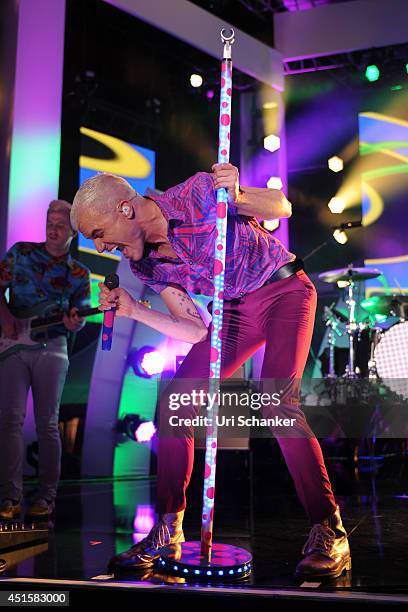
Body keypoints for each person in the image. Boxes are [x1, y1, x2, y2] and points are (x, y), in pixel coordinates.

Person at [71, 164, 351, 578]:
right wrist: (134, 310)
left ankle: (330, 528)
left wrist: (234, 195)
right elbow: (195, 329)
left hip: (284, 290)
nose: (101, 246)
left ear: (124, 210)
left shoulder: (196, 192)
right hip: (236, 313)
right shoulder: (145, 267)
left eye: (97, 233)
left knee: (276, 402)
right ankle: (170, 527)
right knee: (174, 403)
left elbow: (281, 206)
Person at [0, 200, 91, 519]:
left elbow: (80, 315)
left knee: (47, 423)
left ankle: (46, 498)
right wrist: (6, 314)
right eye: (49, 222)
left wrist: (74, 321)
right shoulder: (21, 252)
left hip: (53, 346)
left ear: (72, 232)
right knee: (9, 420)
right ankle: (9, 497)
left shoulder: (79, 272)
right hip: (12, 345)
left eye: (60, 225)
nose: (53, 228)